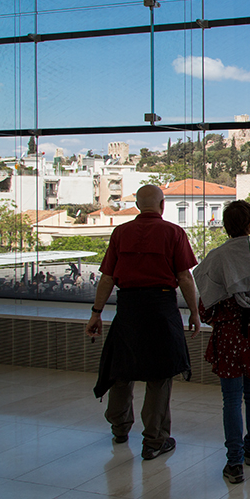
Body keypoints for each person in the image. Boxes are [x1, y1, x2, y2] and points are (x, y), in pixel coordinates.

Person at [86, 184, 200, 460]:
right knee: (159, 374)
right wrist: (194, 312)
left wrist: (96, 312)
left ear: (138, 206)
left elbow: (107, 277)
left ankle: (120, 427)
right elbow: (184, 277)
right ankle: (154, 440)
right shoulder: (173, 232)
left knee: (122, 368)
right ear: (162, 206)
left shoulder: (121, 233)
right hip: (161, 308)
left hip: (128, 308)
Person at [192, 200, 250, 485]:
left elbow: (206, 300)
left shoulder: (218, 256)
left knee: (231, 398)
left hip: (231, 333)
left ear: (225, 225)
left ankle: (234, 463)